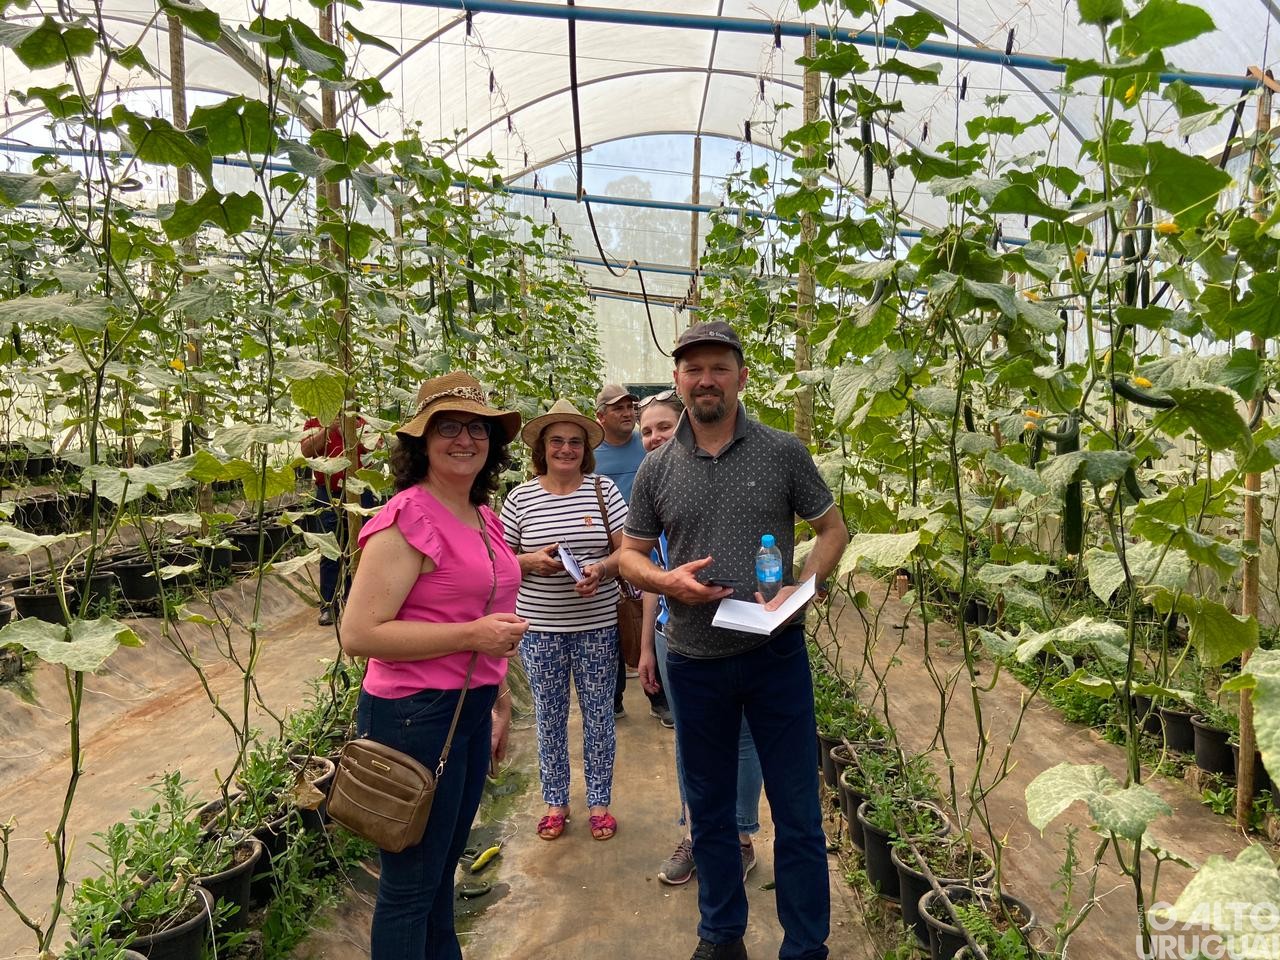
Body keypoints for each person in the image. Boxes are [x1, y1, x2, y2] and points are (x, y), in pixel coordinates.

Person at [620, 321, 850, 960]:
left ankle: (805, 946)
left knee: (799, 813)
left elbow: (832, 529)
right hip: (695, 661)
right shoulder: (657, 468)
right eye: (692, 369)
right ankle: (722, 936)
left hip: (775, 656)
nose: (705, 380)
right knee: (711, 809)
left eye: (718, 367)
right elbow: (630, 556)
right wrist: (665, 581)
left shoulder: (781, 451)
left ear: (741, 376)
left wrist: (805, 583)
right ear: (677, 381)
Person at [340, 372, 527, 960]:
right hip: (414, 717)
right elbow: (359, 634)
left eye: (477, 428)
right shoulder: (405, 520)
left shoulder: (481, 515)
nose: (465, 439)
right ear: (422, 441)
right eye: (449, 428)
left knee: (443, 866)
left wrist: (498, 700)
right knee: (410, 885)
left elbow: (487, 606)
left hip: (468, 709)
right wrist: (472, 635)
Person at [635, 391, 765, 888]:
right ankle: (696, 833)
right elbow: (651, 577)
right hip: (678, 637)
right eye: (647, 431)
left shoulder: (725, 477)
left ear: (688, 421)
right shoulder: (654, 485)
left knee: (744, 738)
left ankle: (741, 835)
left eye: (663, 427)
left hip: (739, 626)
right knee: (691, 740)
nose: (655, 438)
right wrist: (648, 646)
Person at [500, 398, 627, 842]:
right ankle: (555, 802)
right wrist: (531, 561)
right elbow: (499, 562)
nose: (566, 450)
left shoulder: (603, 491)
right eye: (557, 441)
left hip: (596, 625)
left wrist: (601, 570)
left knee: (598, 717)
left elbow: (626, 552)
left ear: (585, 450)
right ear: (542, 447)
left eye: (575, 442)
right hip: (541, 629)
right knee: (549, 717)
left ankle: (599, 804)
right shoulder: (520, 498)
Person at [594, 383, 671, 724]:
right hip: (611, 548)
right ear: (600, 418)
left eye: (630, 407)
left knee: (649, 611)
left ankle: (659, 697)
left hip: (654, 543)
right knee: (617, 617)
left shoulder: (646, 447)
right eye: (618, 408)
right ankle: (614, 697)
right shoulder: (592, 455)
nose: (628, 414)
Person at [300, 411, 375, 625]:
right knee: (329, 550)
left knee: (358, 548)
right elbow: (306, 451)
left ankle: (353, 602)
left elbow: (373, 449)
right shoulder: (315, 422)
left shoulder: (361, 420)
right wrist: (328, 430)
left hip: (361, 491)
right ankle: (328, 606)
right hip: (328, 494)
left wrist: (349, 432)